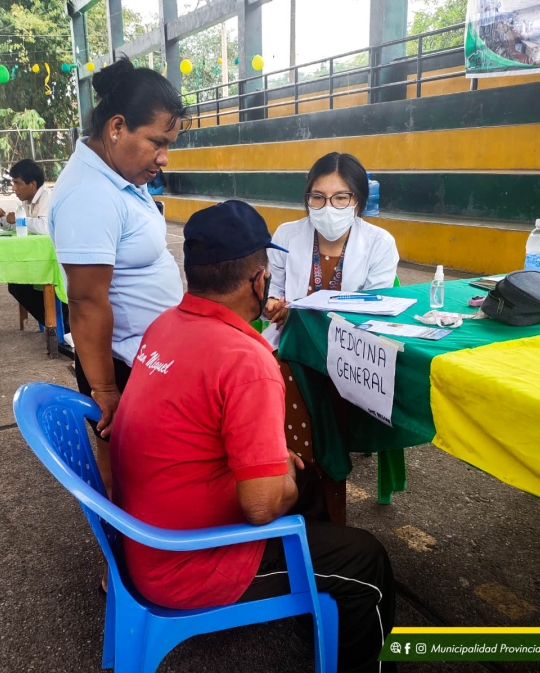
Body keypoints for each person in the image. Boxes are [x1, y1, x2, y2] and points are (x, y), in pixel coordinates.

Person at [110, 200, 396, 673]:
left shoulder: (163, 325)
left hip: (143, 534)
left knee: (307, 484)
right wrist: (278, 466)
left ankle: (318, 609)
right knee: (366, 560)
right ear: (259, 282)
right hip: (187, 564)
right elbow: (260, 507)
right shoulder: (247, 358)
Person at [49, 56, 185, 489]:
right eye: (157, 143)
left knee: (150, 473)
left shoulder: (120, 175)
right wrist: (106, 391)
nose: (163, 158)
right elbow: (87, 302)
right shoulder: (90, 194)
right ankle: (131, 548)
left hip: (146, 356)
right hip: (123, 365)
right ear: (116, 127)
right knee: (135, 482)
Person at [264, 152, 399, 328]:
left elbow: (374, 309)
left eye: (341, 198)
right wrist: (272, 303)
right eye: (318, 197)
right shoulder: (286, 235)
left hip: (351, 345)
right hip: (292, 340)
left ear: (359, 200)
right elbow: (273, 289)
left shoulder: (380, 244)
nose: (328, 208)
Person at [0, 159, 62, 328]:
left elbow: (45, 228)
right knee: (15, 283)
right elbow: (19, 226)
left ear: (33, 184)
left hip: (56, 260)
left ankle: (58, 321)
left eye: (17, 183)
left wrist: (21, 218)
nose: (14, 188)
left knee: (20, 285)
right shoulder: (27, 200)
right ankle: (50, 320)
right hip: (38, 256)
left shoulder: (48, 198)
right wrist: (1, 218)